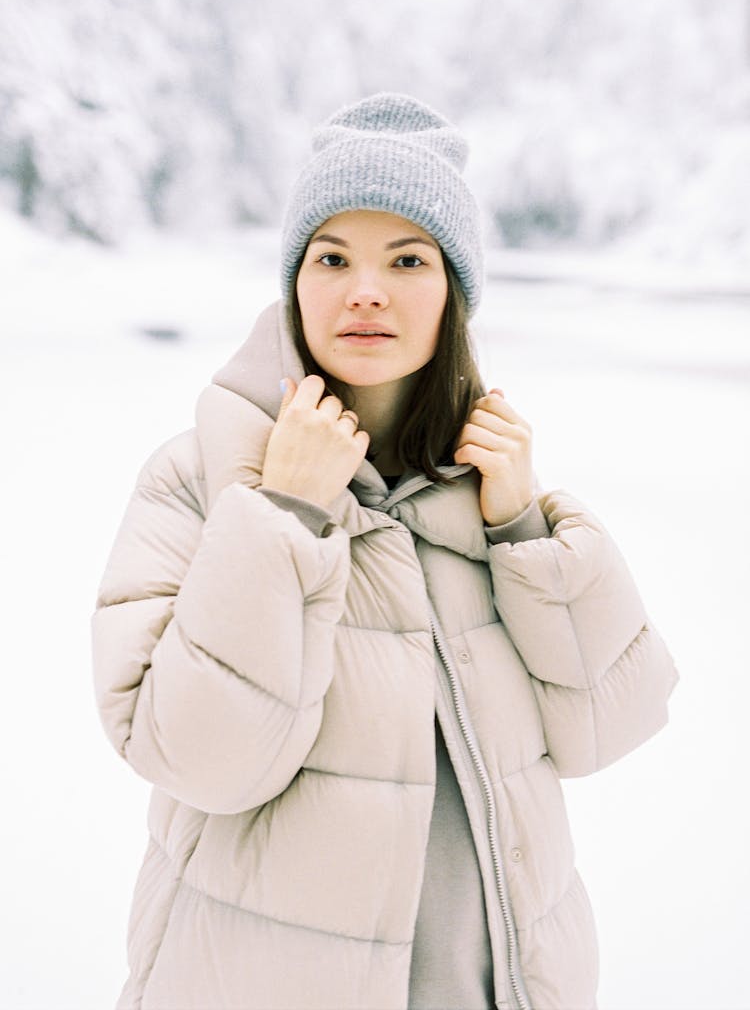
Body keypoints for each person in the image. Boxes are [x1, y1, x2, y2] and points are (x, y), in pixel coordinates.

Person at [92, 92, 678, 1010]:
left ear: (454, 292)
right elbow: (196, 755)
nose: (368, 289)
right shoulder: (200, 479)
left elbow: (612, 724)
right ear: (294, 282)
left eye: (409, 259)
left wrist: (524, 530)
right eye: (333, 257)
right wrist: (284, 513)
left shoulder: (489, 492)